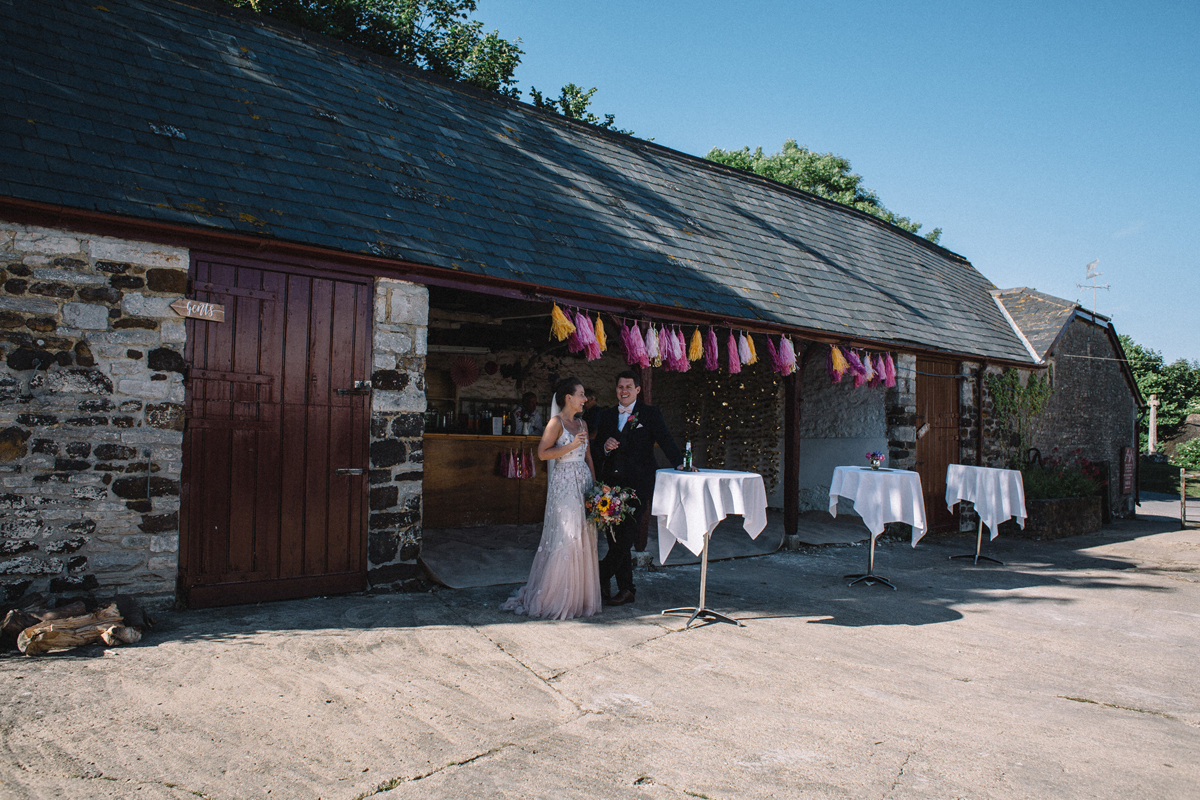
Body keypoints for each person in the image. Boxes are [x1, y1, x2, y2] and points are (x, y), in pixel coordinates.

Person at [501, 378, 601, 619]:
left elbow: (588, 457)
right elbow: (543, 453)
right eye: (581, 394)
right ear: (568, 397)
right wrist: (570, 446)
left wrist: (596, 488)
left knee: (584, 533)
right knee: (567, 535)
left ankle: (580, 598)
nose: (584, 398)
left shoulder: (583, 422)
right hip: (564, 482)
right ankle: (557, 596)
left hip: (583, 481)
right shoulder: (556, 423)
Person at [591, 370, 687, 606]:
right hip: (610, 488)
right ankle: (626, 589)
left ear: (637, 390)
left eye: (628, 387)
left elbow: (665, 439)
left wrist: (680, 463)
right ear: (616, 390)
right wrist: (604, 445)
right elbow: (594, 449)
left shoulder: (650, 414)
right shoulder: (606, 415)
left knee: (626, 537)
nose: (623, 391)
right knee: (614, 539)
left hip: (638, 486)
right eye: (620, 387)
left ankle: (599, 575)